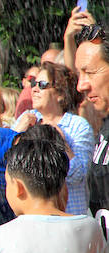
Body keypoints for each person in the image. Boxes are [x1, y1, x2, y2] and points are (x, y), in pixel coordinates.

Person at [14, 62, 94, 215]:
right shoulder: (25, 120)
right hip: (32, 218)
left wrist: (61, 142)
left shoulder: (78, 126)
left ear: (61, 94)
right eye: (34, 83)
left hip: (69, 217)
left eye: (42, 85)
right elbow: (6, 166)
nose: (34, 89)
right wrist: (16, 133)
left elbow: (78, 176)